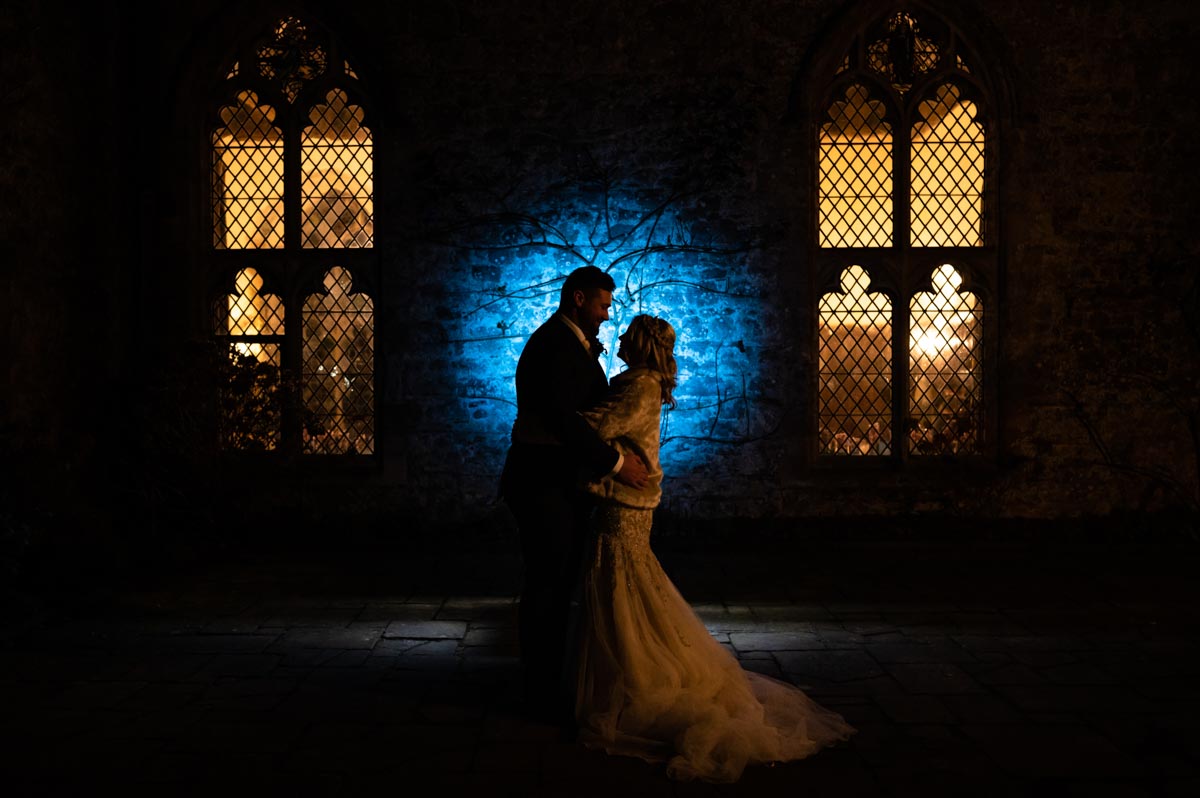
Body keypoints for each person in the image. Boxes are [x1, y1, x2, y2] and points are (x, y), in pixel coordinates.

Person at [573, 314, 856, 783]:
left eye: (628, 333)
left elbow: (595, 427)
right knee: (631, 584)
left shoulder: (637, 387)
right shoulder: (642, 384)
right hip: (628, 501)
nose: (619, 336)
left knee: (621, 584)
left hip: (623, 503)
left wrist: (559, 415)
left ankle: (633, 675)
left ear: (640, 343)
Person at [499, 265, 649, 729]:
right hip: (543, 484)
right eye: (603, 305)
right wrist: (618, 464)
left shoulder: (568, 343)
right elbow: (565, 422)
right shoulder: (553, 345)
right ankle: (540, 691)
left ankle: (551, 681)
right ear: (578, 299)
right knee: (547, 583)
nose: (607, 315)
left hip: (558, 483)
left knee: (558, 582)